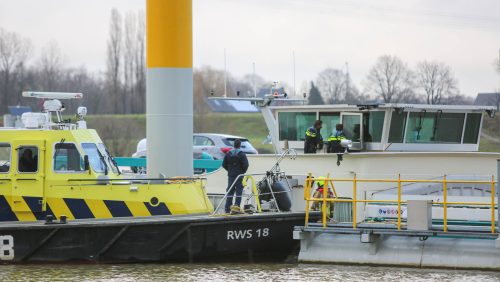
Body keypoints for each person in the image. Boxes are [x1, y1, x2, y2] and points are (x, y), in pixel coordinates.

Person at [222, 139, 249, 214]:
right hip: (239, 176)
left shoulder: (228, 154)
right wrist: (242, 172)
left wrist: (229, 170)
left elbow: (223, 165)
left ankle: (227, 209)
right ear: (240, 145)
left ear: (233, 145)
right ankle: (236, 208)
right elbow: (246, 165)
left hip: (231, 176)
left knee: (230, 191)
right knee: (238, 192)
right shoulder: (242, 154)